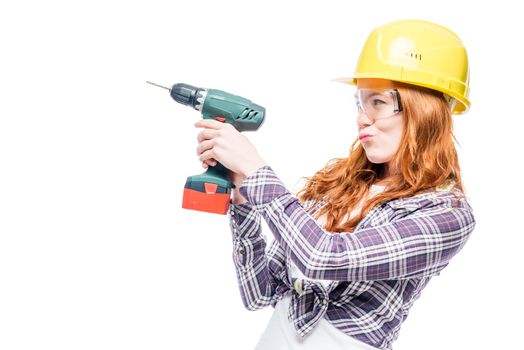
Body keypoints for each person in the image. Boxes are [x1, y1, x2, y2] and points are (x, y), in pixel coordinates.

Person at [194, 19, 476, 350]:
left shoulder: (447, 215)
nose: (361, 117)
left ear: (423, 111)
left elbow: (325, 257)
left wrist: (256, 169)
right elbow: (260, 294)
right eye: (360, 102)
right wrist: (243, 195)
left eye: (378, 102)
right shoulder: (338, 184)